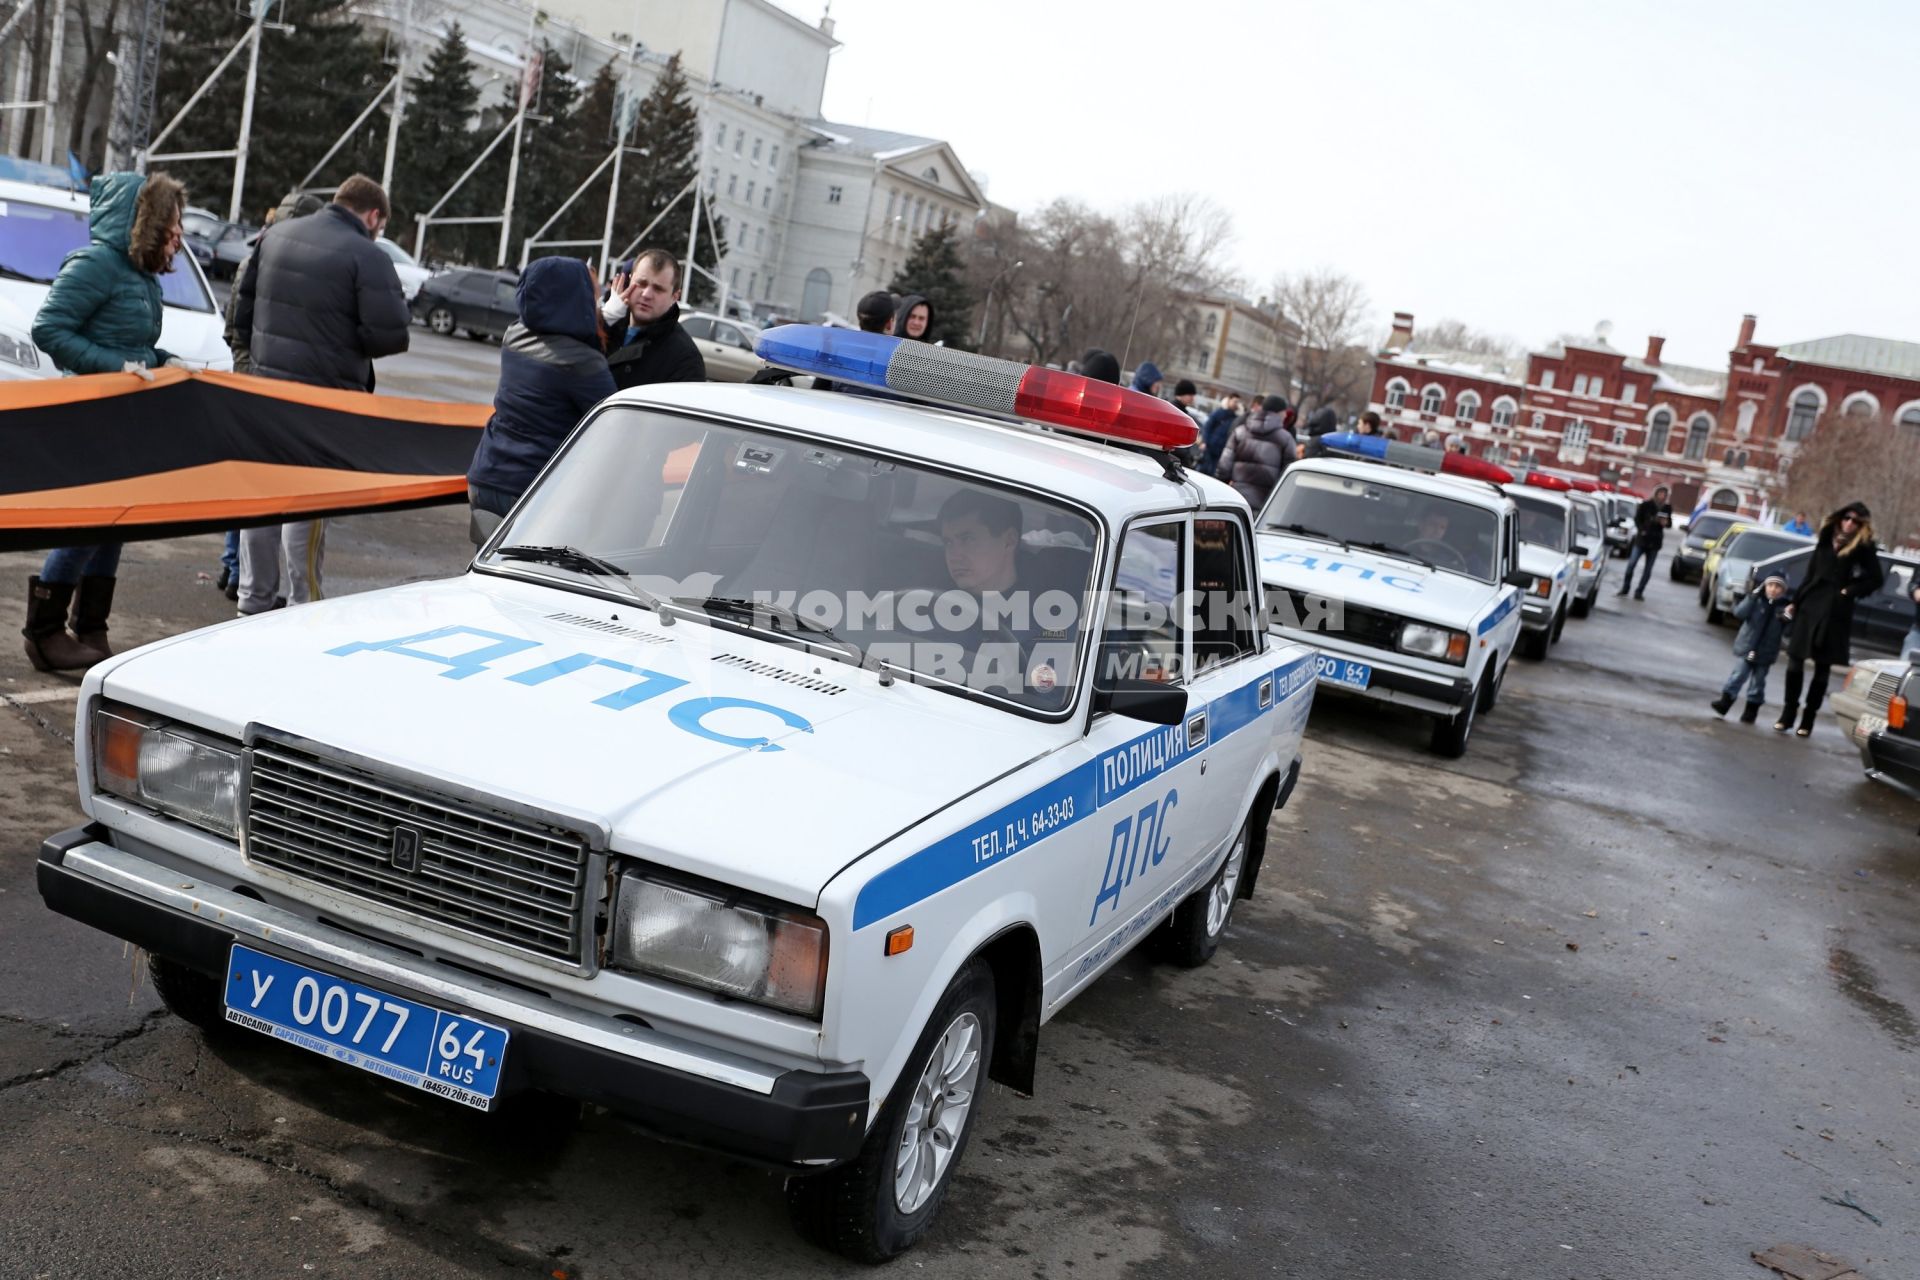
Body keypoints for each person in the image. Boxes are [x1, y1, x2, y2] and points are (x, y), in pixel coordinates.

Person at [23, 170, 187, 671]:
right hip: (92, 415)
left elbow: (132, 346)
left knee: (118, 522)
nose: (179, 237)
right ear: (149, 223)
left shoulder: (140, 277)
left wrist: (165, 362)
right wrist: (116, 367)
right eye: (174, 226)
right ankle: (44, 631)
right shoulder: (97, 264)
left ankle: (90, 626)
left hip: (125, 418)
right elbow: (48, 330)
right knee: (90, 522)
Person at [233, 173, 410, 617]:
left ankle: (250, 602)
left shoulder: (274, 237)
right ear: (373, 215)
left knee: (262, 499)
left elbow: (242, 312)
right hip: (324, 404)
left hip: (265, 391)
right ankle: (303, 604)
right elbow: (388, 336)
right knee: (306, 506)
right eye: (382, 225)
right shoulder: (366, 255)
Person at [218, 190, 324, 602]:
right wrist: (251, 377)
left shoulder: (269, 259)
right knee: (260, 495)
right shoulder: (264, 261)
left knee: (257, 491)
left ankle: (240, 577)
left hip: (262, 385)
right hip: (261, 389)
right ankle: (236, 572)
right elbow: (237, 330)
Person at [465, 257, 617, 542]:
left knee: (486, 577)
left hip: (486, 474)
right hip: (531, 489)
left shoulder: (514, 335)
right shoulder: (582, 362)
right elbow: (615, 422)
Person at [1776, 502, 1883, 737]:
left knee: (1822, 670)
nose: (1849, 523)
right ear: (1839, 518)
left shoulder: (1863, 548)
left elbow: (1875, 579)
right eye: (1846, 518)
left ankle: (1808, 720)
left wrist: (1848, 592)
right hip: (1810, 605)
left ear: (1861, 525)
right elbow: (1811, 573)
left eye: (1855, 521)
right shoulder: (1826, 538)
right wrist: (1796, 600)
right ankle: (1787, 714)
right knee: (1795, 663)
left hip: (1835, 612)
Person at [600, 247, 706, 389]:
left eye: (658, 289)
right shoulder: (606, 324)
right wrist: (603, 320)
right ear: (630, 281)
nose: (646, 294)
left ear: (675, 296)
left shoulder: (685, 359)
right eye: (641, 284)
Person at [1710, 571, 1791, 722]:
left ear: (1783, 590)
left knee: (1758, 682)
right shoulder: (1756, 601)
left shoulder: (1783, 608)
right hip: (1747, 647)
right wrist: (1752, 597)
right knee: (1738, 675)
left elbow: (1788, 632)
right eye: (1770, 585)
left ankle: (1751, 710)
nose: (1773, 589)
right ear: (1764, 586)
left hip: (1766, 652)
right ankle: (1725, 702)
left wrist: (1788, 618)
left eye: (1778, 587)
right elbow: (1739, 613)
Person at [1215, 394, 1297, 513]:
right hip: (1265, 504)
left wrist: (1220, 493)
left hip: (1234, 499)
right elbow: (1287, 475)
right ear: (1279, 413)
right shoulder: (1286, 439)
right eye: (1284, 412)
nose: (1285, 415)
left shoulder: (1240, 432)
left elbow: (1224, 467)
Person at [1615, 485, 1672, 599]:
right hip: (1642, 539)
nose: (1662, 496)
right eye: (1660, 493)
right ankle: (1625, 588)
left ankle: (1639, 592)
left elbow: (1669, 524)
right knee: (1631, 564)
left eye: (1664, 495)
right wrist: (1643, 529)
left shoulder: (1667, 508)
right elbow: (1637, 519)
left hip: (1655, 542)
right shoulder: (1646, 505)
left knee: (1648, 569)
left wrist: (1665, 523)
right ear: (1656, 494)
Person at [1199, 393, 1242, 475]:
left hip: (1222, 450)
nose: (1236, 404)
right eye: (1234, 401)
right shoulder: (1219, 412)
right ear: (1229, 400)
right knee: (1203, 470)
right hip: (1210, 447)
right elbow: (1208, 427)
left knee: (1212, 473)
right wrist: (1204, 442)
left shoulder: (1235, 418)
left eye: (1238, 402)